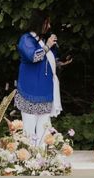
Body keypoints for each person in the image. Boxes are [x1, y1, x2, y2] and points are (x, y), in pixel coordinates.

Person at [14, 10, 72, 146]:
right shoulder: (26, 39)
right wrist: (48, 46)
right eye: (47, 23)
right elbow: (34, 57)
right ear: (40, 23)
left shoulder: (43, 41)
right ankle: (28, 162)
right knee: (28, 131)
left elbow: (47, 61)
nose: (49, 26)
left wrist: (60, 62)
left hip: (45, 92)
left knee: (44, 131)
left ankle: (41, 161)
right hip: (30, 92)